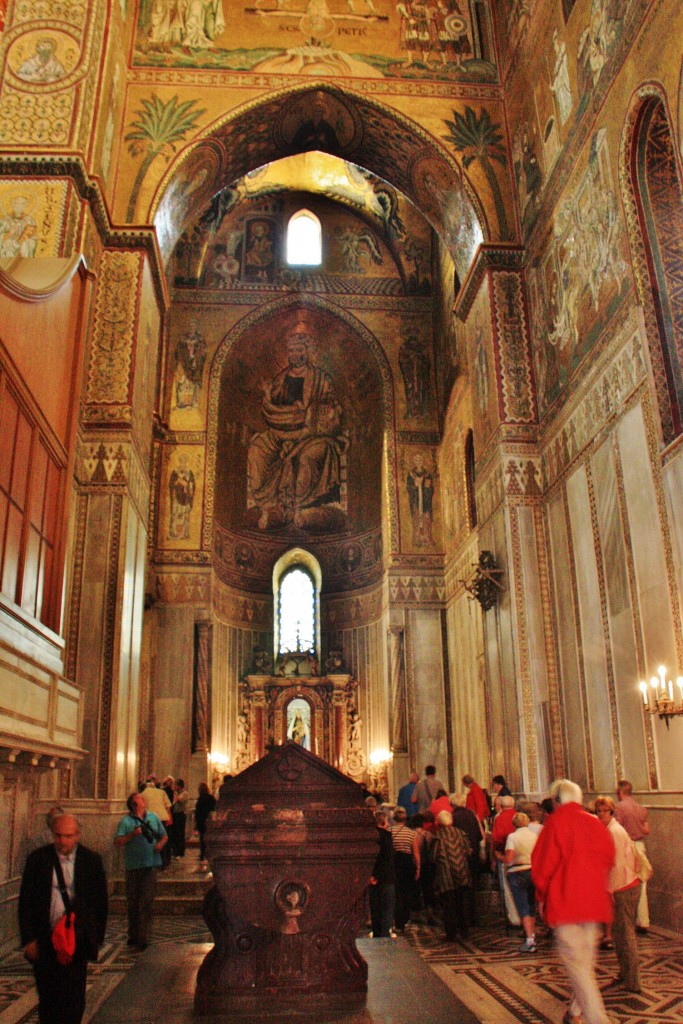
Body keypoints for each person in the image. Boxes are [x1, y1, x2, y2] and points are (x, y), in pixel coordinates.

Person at [531, 779, 615, 1024]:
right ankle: (575, 1012)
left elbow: (542, 867)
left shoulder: (555, 823)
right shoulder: (594, 823)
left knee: (578, 968)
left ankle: (599, 1020)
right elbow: (608, 858)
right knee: (584, 964)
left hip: (565, 902)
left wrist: (542, 897)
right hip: (594, 903)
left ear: (557, 801)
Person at [247, 323, 344, 531]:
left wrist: (309, 412)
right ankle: (268, 505)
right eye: (291, 350)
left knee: (307, 458)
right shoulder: (281, 379)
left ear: (307, 352)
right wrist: (268, 396)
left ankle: (301, 507)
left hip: (311, 434)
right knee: (257, 450)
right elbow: (271, 407)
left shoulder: (321, 379)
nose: (294, 354)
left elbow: (330, 409)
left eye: (299, 350)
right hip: (281, 431)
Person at [19, 813, 108, 1024]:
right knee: (48, 997)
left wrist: (95, 938)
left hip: (76, 938)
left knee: (74, 996)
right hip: (46, 936)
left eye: (68, 836)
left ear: (77, 835)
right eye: (58, 836)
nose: (63, 841)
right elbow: (26, 901)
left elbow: (100, 903)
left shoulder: (91, 860)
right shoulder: (38, 859)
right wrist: (29, 939)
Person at [595, 796, 641, 993]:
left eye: (603, 811)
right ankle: (625, 973)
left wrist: (610, 891)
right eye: (597, 811)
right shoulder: (610, 830)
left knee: (626, 934)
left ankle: (632, 981)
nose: (599, 815)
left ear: (610, 812)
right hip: (623, 885)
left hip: (625, 886)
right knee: (620, 934)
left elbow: (617, 865)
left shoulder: (614, 831)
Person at [114, 793, 167, 951]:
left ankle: (143, 936)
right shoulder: (126, 821)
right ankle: (133, 934)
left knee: (146, 900)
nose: (144, 801)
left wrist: (160, 845)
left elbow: (164, 835)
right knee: (133, 901)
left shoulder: (153, 817)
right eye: (140, 799)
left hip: (150, 864)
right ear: (134, 804)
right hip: (133, 865)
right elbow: (117, 842)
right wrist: (132, 835)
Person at [613, 779, 650, 933]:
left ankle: (626, 921)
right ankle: (644, 921)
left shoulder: (619, 808)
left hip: (626, 847)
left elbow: (617, 828)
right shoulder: (641, 808)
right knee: (641, 884)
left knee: (624, 885)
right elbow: (646, 830)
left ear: (620, 792)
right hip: (640, 846)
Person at [504, 810, 543, 952]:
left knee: (523, 906)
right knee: (531, 905)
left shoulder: (512, 837)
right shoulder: (534, 836)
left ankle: (529, 940)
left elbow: (509, 858)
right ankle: (532, 935)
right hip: (532, 870)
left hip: (517, 871)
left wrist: (500, 857)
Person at [432, 810, 471, 941]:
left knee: (449, 906)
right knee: (462, 903)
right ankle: (464, 931)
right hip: (462, 872)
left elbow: (433, 856)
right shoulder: (461, 834)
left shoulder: (437, 836)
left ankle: (451, 933)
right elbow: (468, 851)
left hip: (446, 875)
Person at [369, 810, 395, 938]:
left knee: (375, 908)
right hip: (386, 877)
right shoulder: (386, 836)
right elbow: (387, 858)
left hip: (371, 877)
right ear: (383, 822)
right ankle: (385, 935)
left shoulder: (369, 837)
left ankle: (376, 932)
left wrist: (371, 875)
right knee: (387, 908)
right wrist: (378, 875)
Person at [390, 806, 417, 932]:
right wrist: (418, 867)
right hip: (407, 862)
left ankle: (397, 919)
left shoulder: (389, 831)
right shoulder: (411, 833)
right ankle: (405, 918)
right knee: (406, 892)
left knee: (396, 891)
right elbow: (415, 852)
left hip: (394, 862)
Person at [194, 781, 216, 864]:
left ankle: (203, 854)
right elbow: (215, 808)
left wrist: (196, 823)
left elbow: (197, 812)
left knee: (202, 839)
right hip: (210, 820)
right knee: (210, 838)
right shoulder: (211, 798)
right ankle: (210, 854)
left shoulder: (200, 799)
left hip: (201, 821)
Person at [170, 778, 189, 858]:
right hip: (175, 815)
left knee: (180, 833)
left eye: (175, 785)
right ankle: (175, 851)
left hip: (180, 815)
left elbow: (178, 800)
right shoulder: (176, 793)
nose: (174, 786)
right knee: (175, 833)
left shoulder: (184, 793)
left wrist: (174, 792)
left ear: (179, 786)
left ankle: (180, 852)